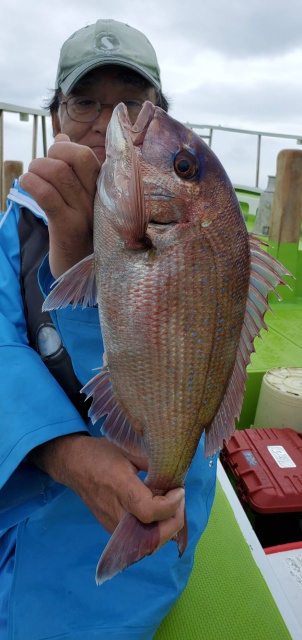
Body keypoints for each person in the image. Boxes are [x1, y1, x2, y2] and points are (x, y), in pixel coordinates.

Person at [0, 19, 218, 640]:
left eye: (130, 104)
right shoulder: (13, 230)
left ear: (156, 123)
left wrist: (81, 261)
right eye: (84, 103)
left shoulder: (193, 227)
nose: (105, 123)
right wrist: (64, 452)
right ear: (54, 120)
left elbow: (177, 394)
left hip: (112, 539)